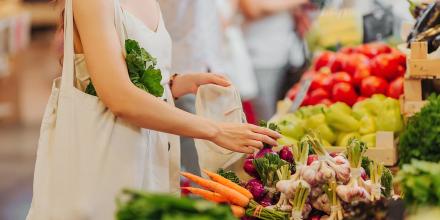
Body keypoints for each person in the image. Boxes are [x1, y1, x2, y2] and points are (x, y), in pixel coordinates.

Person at [26, 0, 280, 219]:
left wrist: (176, 84)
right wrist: (214, 130)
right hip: (104, 166)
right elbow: (118, 97)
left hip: (145, 157)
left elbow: (131, 77)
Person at [159, 0, 228, 175]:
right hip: (180, 71)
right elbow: (172, 19)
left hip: (207, 66)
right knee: (199, 162)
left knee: (217, 159)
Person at [239, 0, 309, 120]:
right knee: (267, 116)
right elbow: (251, 8)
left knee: (282, 111)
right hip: (261, 56)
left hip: (281, 52)